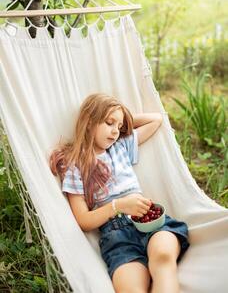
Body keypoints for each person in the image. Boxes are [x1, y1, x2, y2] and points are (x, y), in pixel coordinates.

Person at [50, 93, 190, 293]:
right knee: (131, 289)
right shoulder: (75, 165)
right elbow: (83, 220)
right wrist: (118, 205)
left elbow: (156, 119)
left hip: (150, 220)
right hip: (116, 235)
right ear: (89, 122)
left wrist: (123, 118)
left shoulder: (120, 146)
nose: (116, 131)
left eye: (119, 126)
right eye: (109, 123)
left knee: (163, 259)